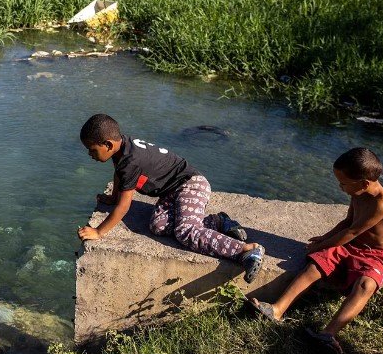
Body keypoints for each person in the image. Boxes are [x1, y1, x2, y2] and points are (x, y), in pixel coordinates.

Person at [77, 113, 265, 283]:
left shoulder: (130, 161)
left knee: (186, 232)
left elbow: (124, 206)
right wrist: (113, 197)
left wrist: (99, 232)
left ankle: (245, 251)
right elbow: (120, 175)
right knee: (158, 226)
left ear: (108, 145)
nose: (89, 154)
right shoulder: (123, 147)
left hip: (191, 184)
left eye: (92, 150)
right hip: (172, 191)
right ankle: (219, 222)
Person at [250, 147, 383, 354]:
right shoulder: (358, 193)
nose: (341, 187)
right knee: (315, 265)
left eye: (343, 183)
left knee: (366, 284)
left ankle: (328, 333)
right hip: (351, 246)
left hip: (374, 254)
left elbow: (352, 231)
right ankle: (277, 309)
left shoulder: (382, 204)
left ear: (364, 183)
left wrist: (321, 246)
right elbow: (347, 222)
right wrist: (325, 238)